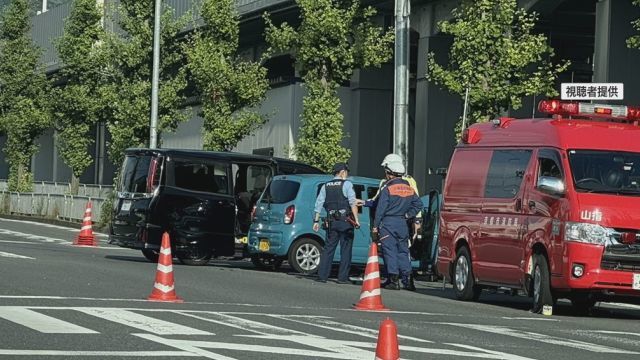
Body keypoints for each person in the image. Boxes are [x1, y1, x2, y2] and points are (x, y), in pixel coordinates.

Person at [372, 161, 423, 290]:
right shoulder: (409, 188)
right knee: (403, 251)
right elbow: (418, 205)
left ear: (390, 174)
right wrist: (407, 215)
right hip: (402, 223)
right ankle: (408, 280)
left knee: (390, 251)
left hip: (389, 223)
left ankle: (393, 281)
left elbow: (380, 209)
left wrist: (375, 226)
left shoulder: (387, 188)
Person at [313, 163, 360, 283]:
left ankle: (322, 276)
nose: (347, 174)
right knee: (346, 250)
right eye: (346, 172)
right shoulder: (347, 184)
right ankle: (342, 278)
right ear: (342, 172)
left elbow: (318, 204)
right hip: (346, 221)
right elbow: (352, 203)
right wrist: (356, 220)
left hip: (331, 222)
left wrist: (316, 220)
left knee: (328, 249)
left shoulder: (326, 186)